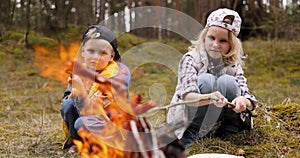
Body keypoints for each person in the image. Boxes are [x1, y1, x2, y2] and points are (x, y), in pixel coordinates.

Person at [166, 8, 258, 147]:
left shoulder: (233, 64)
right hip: (190, 117)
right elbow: (188, 96)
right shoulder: (191, 59)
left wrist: (243, 101)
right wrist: (208, 97)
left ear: (232, 45)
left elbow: (250, 98)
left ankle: (229, 128)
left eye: (223, 41)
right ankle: (193, 132)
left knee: (228, 81)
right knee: (206, 80)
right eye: (211, 38)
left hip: (220, 119)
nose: (215, 45)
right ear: (205, 36)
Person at [60, 24, 131, 150]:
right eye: (91, 51)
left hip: (112, 122)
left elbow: (94, 111)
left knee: (81, 123)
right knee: (68, 105)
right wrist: (75, 92)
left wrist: (81, 92)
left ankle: (102, 146)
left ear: (112, 56)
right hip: (88, 115)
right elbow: (68, 102)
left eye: (102, 53)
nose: (95, 57)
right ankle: (78, 142)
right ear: (83, 52)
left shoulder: (118, 74)